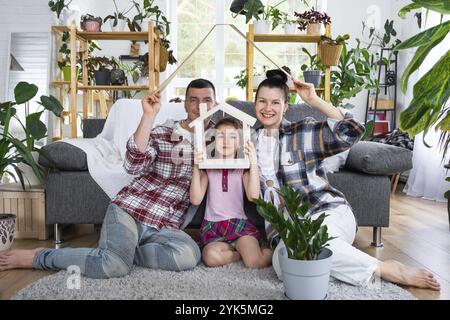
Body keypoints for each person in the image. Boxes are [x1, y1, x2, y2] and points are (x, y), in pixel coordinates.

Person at [0, 79, 218, 279]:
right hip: (132, 210)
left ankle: (122, 252)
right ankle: (42, 257)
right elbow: (133, 165)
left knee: (188, 256)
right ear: (185, 104)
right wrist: (148, 116)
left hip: (167, 225)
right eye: (193, 100)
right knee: (113, 266)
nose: (200, 106)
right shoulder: (164, 132)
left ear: (215, 104)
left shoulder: (220, 139)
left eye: (207, 100)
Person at [253, 69, 440, 291]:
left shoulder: (303, 131)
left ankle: (384, 269)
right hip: (286, 230)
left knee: (313, 245)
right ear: (254, 103)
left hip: (325, 212)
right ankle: (337, 258)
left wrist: (315, 100)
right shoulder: (246, 140)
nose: (267, 108)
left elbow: (352, 131)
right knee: (282, 264)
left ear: (286, 106)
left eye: (275, 102)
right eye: (262, 101)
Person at [190, 118, 272, 268]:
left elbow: (253, 196)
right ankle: (238, 253)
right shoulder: (208, 166)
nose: (226, 141)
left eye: (232, 137)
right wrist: (196, 166)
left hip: (238, 225)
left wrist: (253, 162)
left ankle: (267, 248)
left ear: (240, 142)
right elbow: (195, 199)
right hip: (213, 226)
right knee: (210, 258)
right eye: (221, 136)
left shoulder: (243, 167)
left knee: (255, 262)